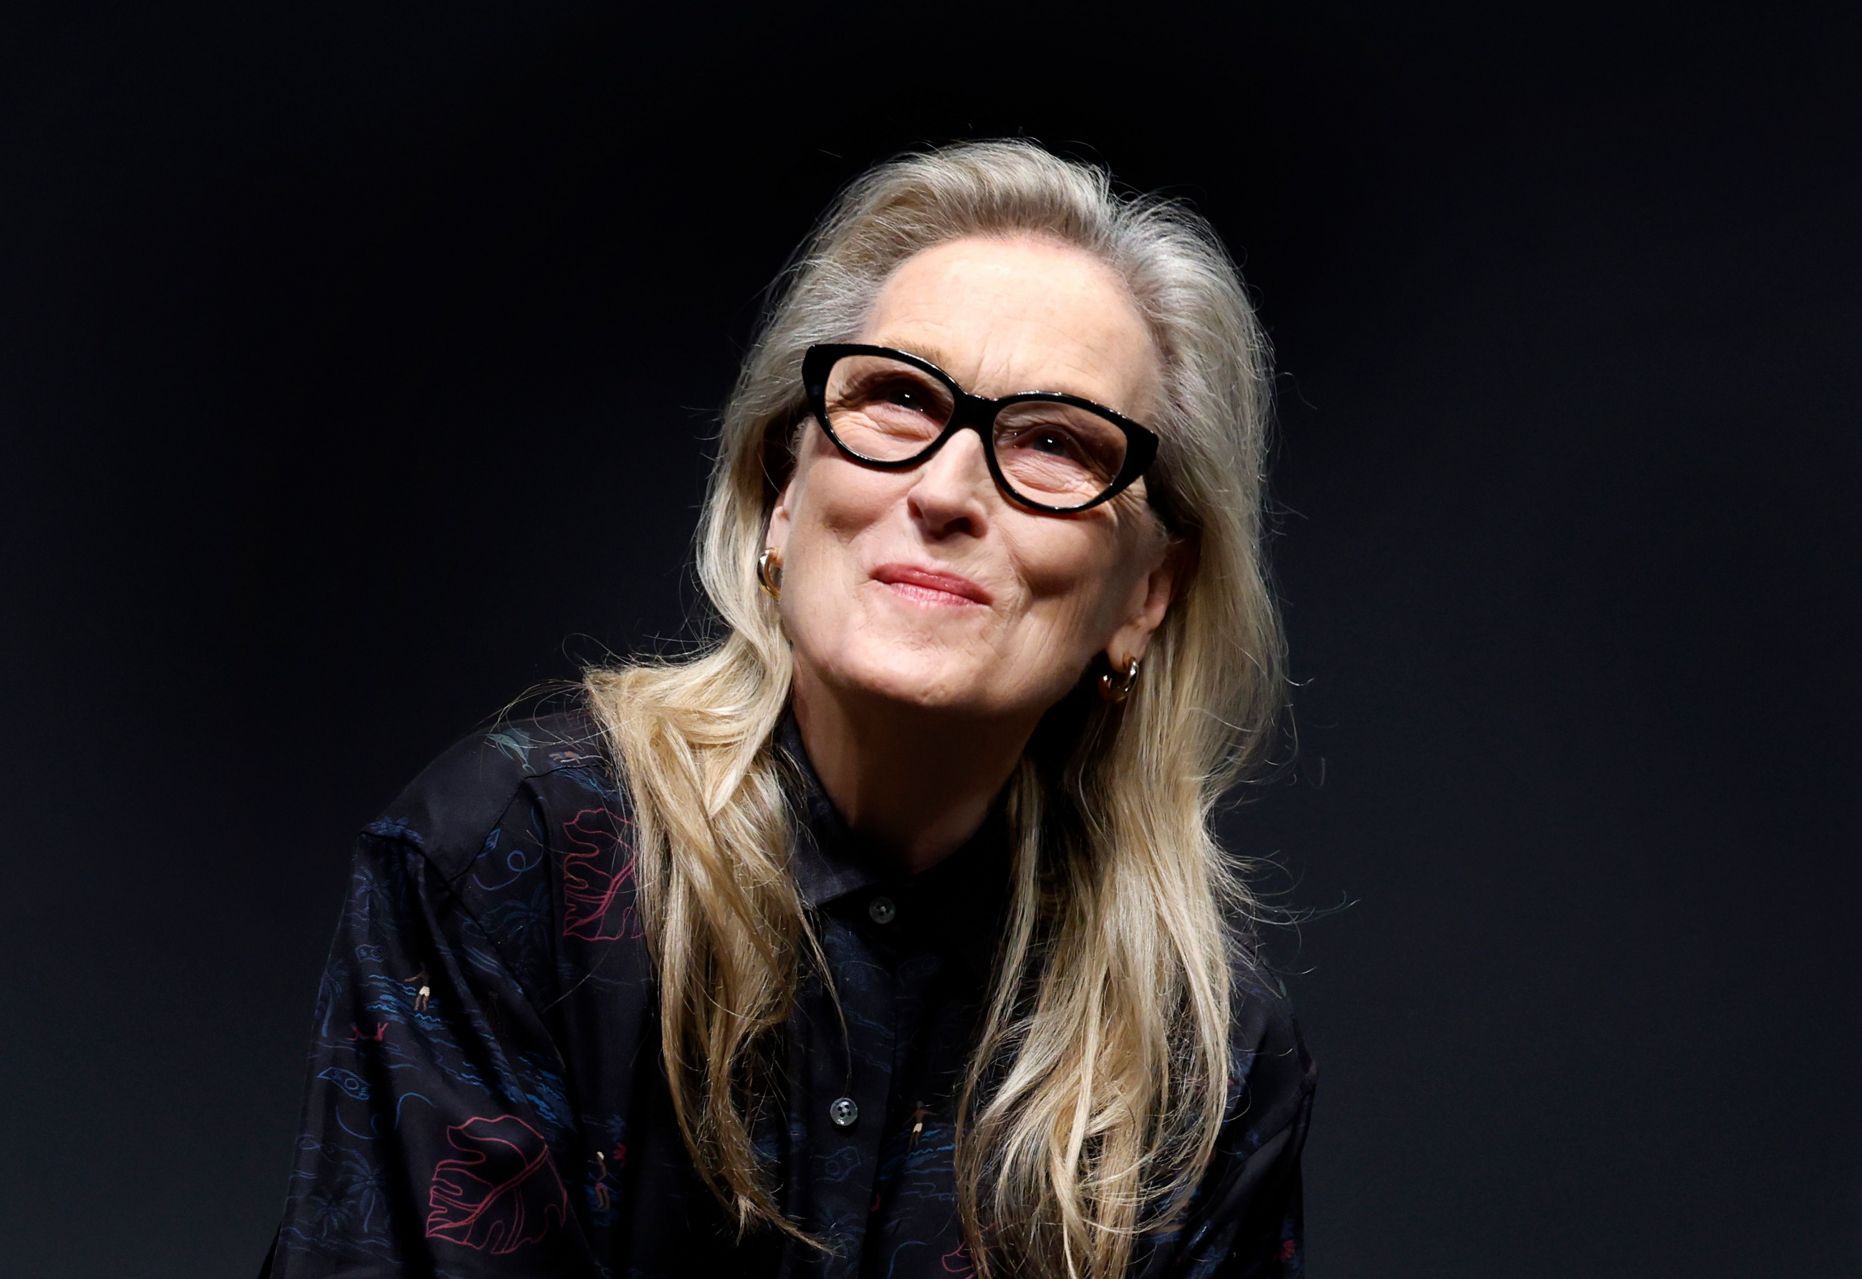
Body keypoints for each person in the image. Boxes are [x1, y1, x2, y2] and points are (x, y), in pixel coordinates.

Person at [260, 138, 1315, 1279]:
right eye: (898, 398)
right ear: (780, 489)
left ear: (1146, 594)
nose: (947, 491)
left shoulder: (1209, 1064)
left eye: (1054, 442)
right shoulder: (510, 864)